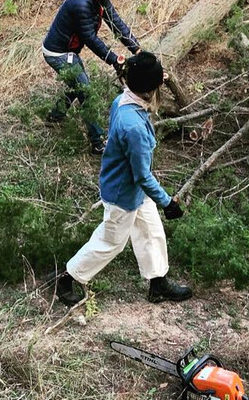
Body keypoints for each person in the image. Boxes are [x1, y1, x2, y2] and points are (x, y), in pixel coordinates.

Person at [56, 51, 193, 306]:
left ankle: (158, 283)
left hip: (134, 191)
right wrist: (167, 203)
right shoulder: (134, 127)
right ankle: (66, 279)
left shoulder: (123, 99)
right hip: (123, 194)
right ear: (150, 88)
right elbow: (142, 175)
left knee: (151, 231)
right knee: (111, 242)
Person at [42, 0, 141, 155]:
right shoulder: (80, 2)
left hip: (69, 51)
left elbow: (115, 22)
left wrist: (136, 48)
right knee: (84, 91)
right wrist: (114, 59)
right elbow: (90, 38)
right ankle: (97, 142)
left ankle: (55, 116)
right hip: (58, 53)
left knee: (76, 83)